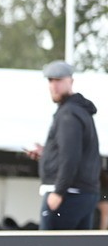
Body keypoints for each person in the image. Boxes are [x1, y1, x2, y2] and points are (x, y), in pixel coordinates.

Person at [26, 61, 101, 230]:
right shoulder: (80, 111)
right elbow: (74, 152)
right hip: (83, 193)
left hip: (68, 194)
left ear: (71, 81)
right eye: (50, 80)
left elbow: (71, 155)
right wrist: (47, 155)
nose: (54, 85)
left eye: (59, 80)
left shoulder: (69, 113)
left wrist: (58, 191)